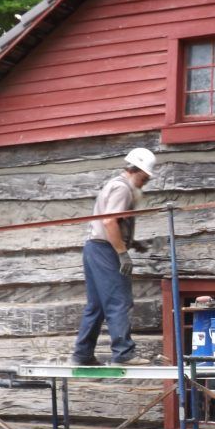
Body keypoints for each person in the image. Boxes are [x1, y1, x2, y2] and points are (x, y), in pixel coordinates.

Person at [70, 148, 156, 366]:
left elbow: (113, 224)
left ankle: (82, 355)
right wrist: (122, 253)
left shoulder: (115, 185)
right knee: (119, 300)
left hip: (94, 247)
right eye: (144, 179)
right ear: (134, 170)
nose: (143, 184)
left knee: (97, 305)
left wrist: (131, 242)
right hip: (105, 249)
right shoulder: (122, 188)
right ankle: (124, 353)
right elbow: (109, 222)